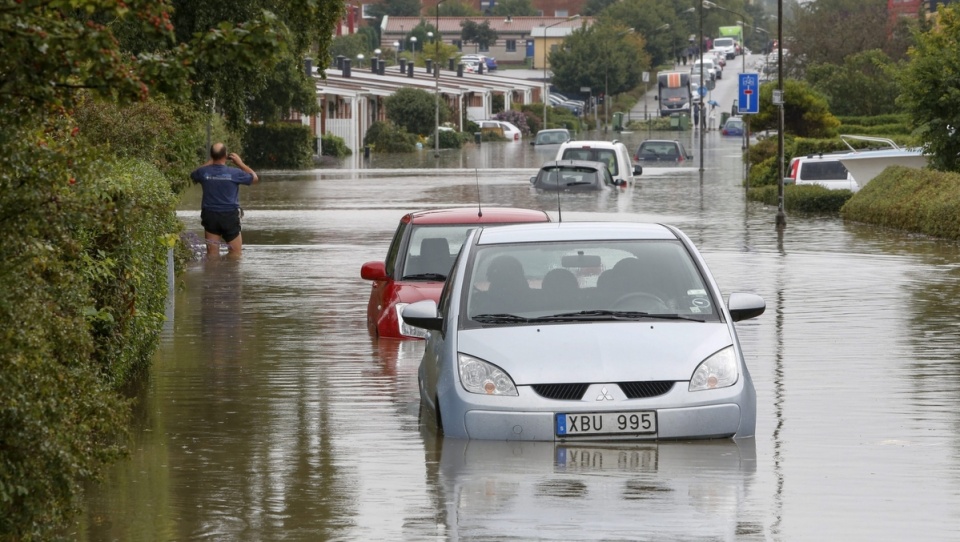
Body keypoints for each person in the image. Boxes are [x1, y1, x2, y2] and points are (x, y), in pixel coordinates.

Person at [190, 143, 259, 256]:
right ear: (226, 155)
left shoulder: (203, 173)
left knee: (212, 255)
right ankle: (231, 273)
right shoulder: (235, 173)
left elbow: (193, 175)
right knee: (235, 253)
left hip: (210, 215)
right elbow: (255, 178)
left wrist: (211, 161)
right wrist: (240, 163)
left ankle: (212, 273)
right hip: (229, 216)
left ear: (212, 155)